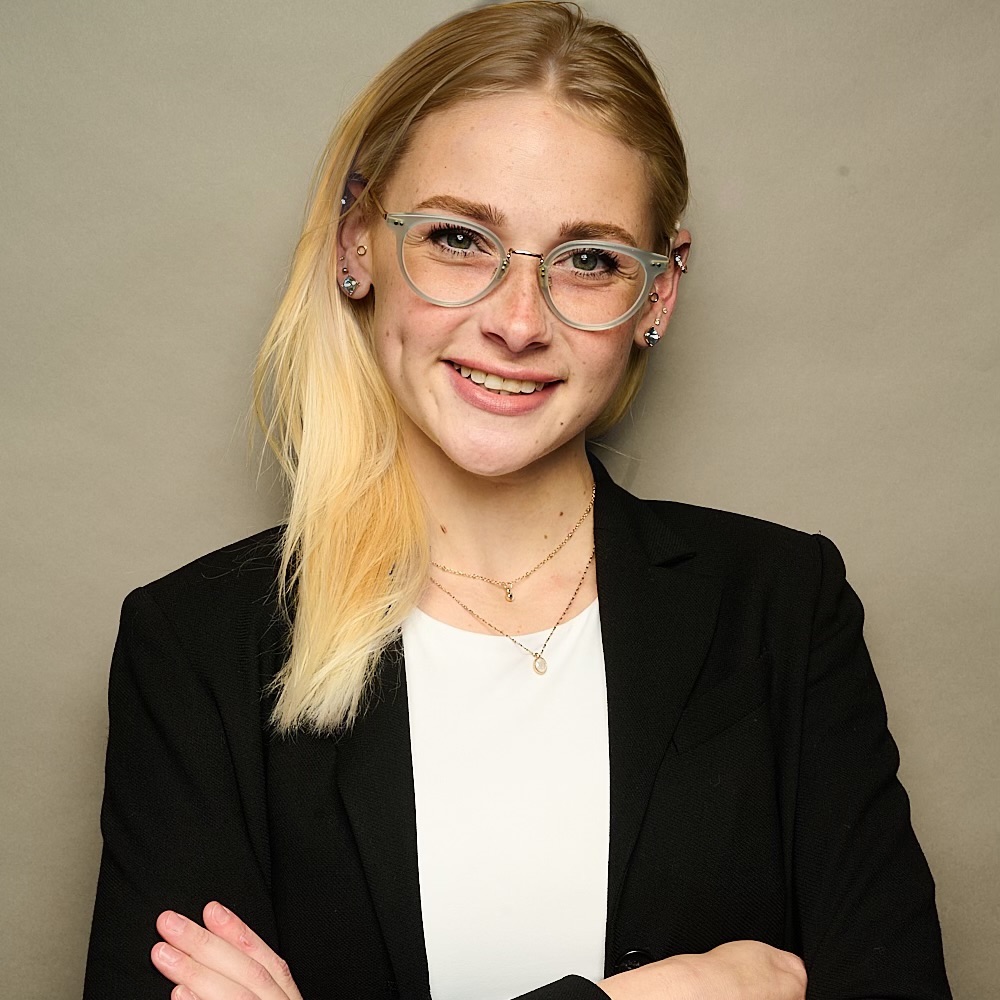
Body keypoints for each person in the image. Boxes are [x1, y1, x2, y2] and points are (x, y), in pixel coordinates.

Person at [82, 3, 951, 998]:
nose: (514, 321)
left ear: (658, 294)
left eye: (588, 260)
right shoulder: (198, 644)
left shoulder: (782, 607)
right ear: (356, 245)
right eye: (458, 238)